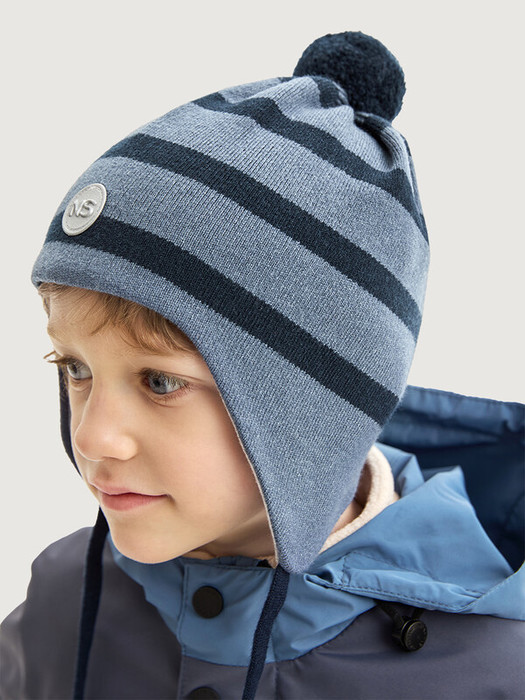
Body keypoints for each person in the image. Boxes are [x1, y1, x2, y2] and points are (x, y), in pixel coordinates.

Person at [1, 29, 523, 700]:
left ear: (313, 408)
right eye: (76, 368)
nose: (93, 436)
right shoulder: (66, 600)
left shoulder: (489, 669)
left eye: (160, 381)